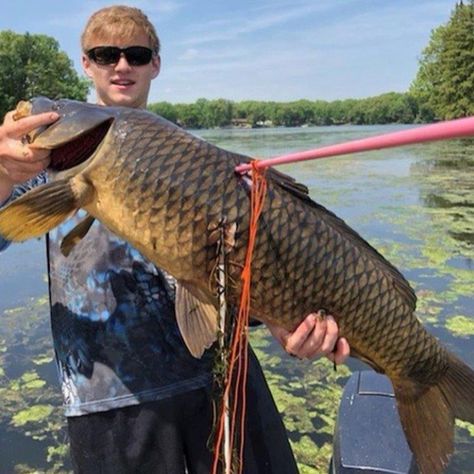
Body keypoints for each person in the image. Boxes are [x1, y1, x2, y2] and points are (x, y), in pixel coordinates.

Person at [0, 5, 350, 473]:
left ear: (155, 64)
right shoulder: (40, 159)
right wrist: (2, 175)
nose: (122, 65)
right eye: (105, 55)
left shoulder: (196, 157)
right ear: (86, 63)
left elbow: (244, 269)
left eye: (137, 54)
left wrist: (288, 324)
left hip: (222, 380)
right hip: (109, 400)